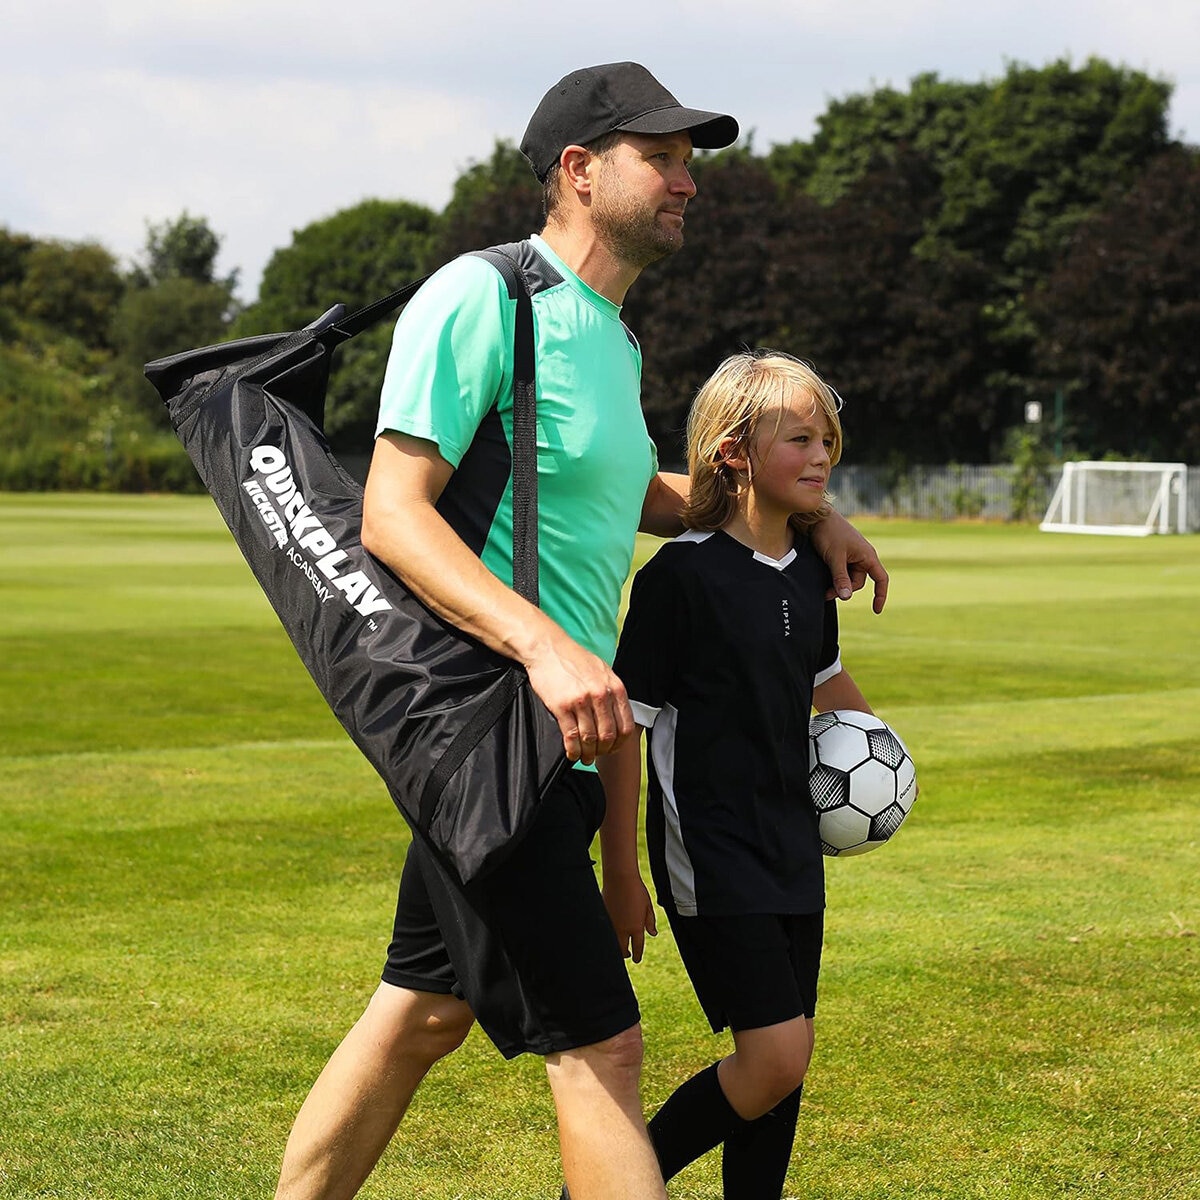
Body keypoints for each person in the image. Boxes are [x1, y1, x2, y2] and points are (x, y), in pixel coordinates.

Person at [274, 64, 887, 1200]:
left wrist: (811, 514)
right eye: (661, 159)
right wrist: (548, 647)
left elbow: (637, 498)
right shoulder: (485, 296)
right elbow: (393, 514)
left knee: (421, 1017)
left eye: (690, 163)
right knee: (604, 1049)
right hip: (489, 726)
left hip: (560, 739)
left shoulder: (613, 340)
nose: (687, 182)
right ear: (578, 170)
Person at [601, 351, 878, 1199]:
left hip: (791, 843)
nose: (821, 456)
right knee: (776, 1055)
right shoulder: (680, 578)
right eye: (799, 439)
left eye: (826, 440)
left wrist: (884, 761)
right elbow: (625, 731)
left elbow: (826, 683)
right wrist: (620, 873)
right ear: (732, 453)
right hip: (711, 850)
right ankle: (606, 1186)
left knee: (783, 1064)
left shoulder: (809, 569)